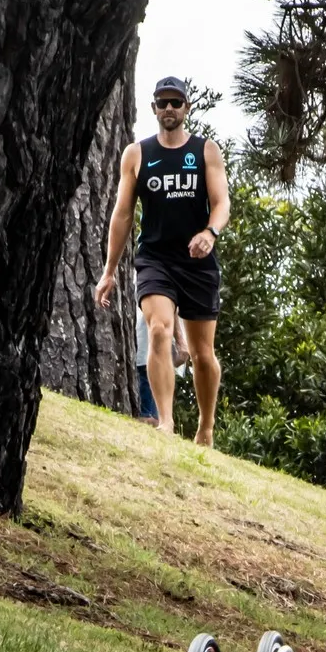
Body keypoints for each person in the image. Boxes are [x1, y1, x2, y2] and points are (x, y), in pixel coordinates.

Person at [94, 76, 231, 446]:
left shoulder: (205, 151)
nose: (169, 108)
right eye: (162, 102)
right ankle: (166, 424)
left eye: (176, 102)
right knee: (158, 330)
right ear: (153, 108)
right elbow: (123, 214)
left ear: (187, 108)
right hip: (155, 259)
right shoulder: (137, 154)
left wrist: (210, 233)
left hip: (198, 262)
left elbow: (222, 203)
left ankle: (205, 428)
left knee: (203, 355)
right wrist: (109, 271)